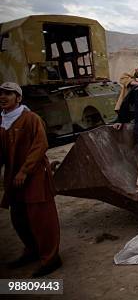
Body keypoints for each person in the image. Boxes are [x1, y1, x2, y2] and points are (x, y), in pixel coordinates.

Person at [0, 82, 62, 277]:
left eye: (8, 94)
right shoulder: (3, 122)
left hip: (35, 176)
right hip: (14, 178)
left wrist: (25, 170)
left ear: (18, 98)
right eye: (1, 94)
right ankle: (32, 250)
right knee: (18, 217)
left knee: (42, 219)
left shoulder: (30, 119)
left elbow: (40, 145)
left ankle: (51, 258)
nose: (3, 97)